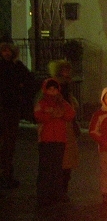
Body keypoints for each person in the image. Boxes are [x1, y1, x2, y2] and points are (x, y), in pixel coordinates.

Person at [33, 78, 76, 207]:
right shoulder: (42, 103)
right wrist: (51, 115)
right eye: (50, 89)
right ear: (45, 89)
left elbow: (71, 114)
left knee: (57, 169)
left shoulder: (62, 103)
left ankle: (56, 194)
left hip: (59, 140)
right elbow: (37, 116)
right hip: (46, 140)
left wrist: (61, 113)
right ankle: (43, 195)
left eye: (54, 89)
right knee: (45, 168)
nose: (52, 91)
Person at [0, 41, 35, 190]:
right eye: (4, 51)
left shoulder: (17, 66)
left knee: (9, 143)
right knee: (4, 142)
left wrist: (20, 91)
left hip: (12, 108)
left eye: (9, 50)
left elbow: (29, 80)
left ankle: (7, 174)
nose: (7, 53)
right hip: (2, 108)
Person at [48, 59, 80, 196]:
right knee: (62, 160)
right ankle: (60, 190)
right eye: (64, 69)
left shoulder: (67, 85)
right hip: (60, 127)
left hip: (67, 126)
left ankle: (62, 189)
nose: (67, 72)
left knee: (66, 160)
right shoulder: (57, 86)